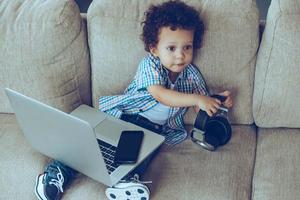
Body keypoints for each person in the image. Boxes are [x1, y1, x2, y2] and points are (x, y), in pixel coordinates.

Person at [34, 1, 233, 200]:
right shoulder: (150, 65)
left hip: (155, 130)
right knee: (89, 147)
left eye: (187, 47)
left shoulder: (191, 75)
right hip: (128, 117)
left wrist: (215, 102)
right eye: (171, 48)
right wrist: (197, 99)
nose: (180, 55)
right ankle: (55, 175)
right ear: (154, 49)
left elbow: (200, 108)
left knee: (141, 154)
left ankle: (126, 182)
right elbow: (160, 94)